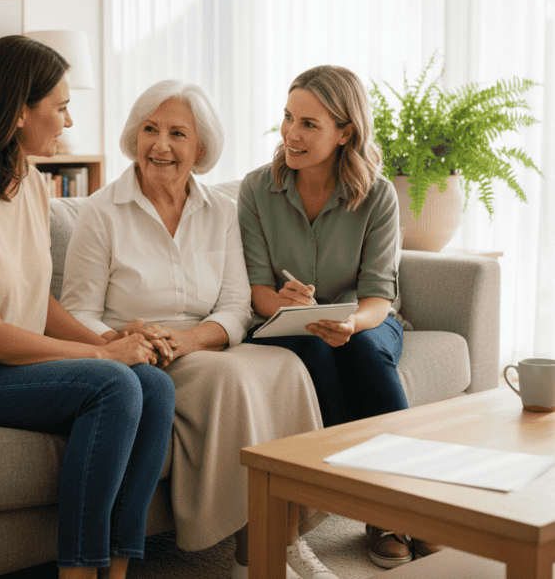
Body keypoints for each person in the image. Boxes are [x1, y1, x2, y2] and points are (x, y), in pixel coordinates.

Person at [0, 35, 176, 579]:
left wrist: (109, 342)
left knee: (154, 382)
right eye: (61, 107)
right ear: (20, 111)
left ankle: (116, 570)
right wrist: (107, 362)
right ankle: (77, 573)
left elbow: (31, 300)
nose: (69, 122)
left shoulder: (30, 184)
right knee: (114, 383)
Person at [60, 79, 335, 579]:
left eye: (176, 134)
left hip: (200, 341)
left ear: (201, 148)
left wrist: (190, 340)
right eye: (149, 129)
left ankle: (285, 539)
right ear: (134, 137)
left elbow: (236, 306)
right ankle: (252, 554)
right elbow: (77, 312)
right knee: (229, 380)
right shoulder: (101, 211)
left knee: (288, 366)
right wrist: (126, 342)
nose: (160, 145)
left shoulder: (222, 211)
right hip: (137, 349)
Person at [238, 64, 442, 570]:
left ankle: (398, 507)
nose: (291, 133)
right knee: (313, 348)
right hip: (288, 325)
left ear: (345, 131)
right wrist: (285, 305)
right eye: (288, 117)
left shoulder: (377, 195)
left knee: (362, 350)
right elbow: (257, 293)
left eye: (309, 123)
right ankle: (379, 509)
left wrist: (349, 323)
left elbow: (378, 298)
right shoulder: (257, 189)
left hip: (364, 322)